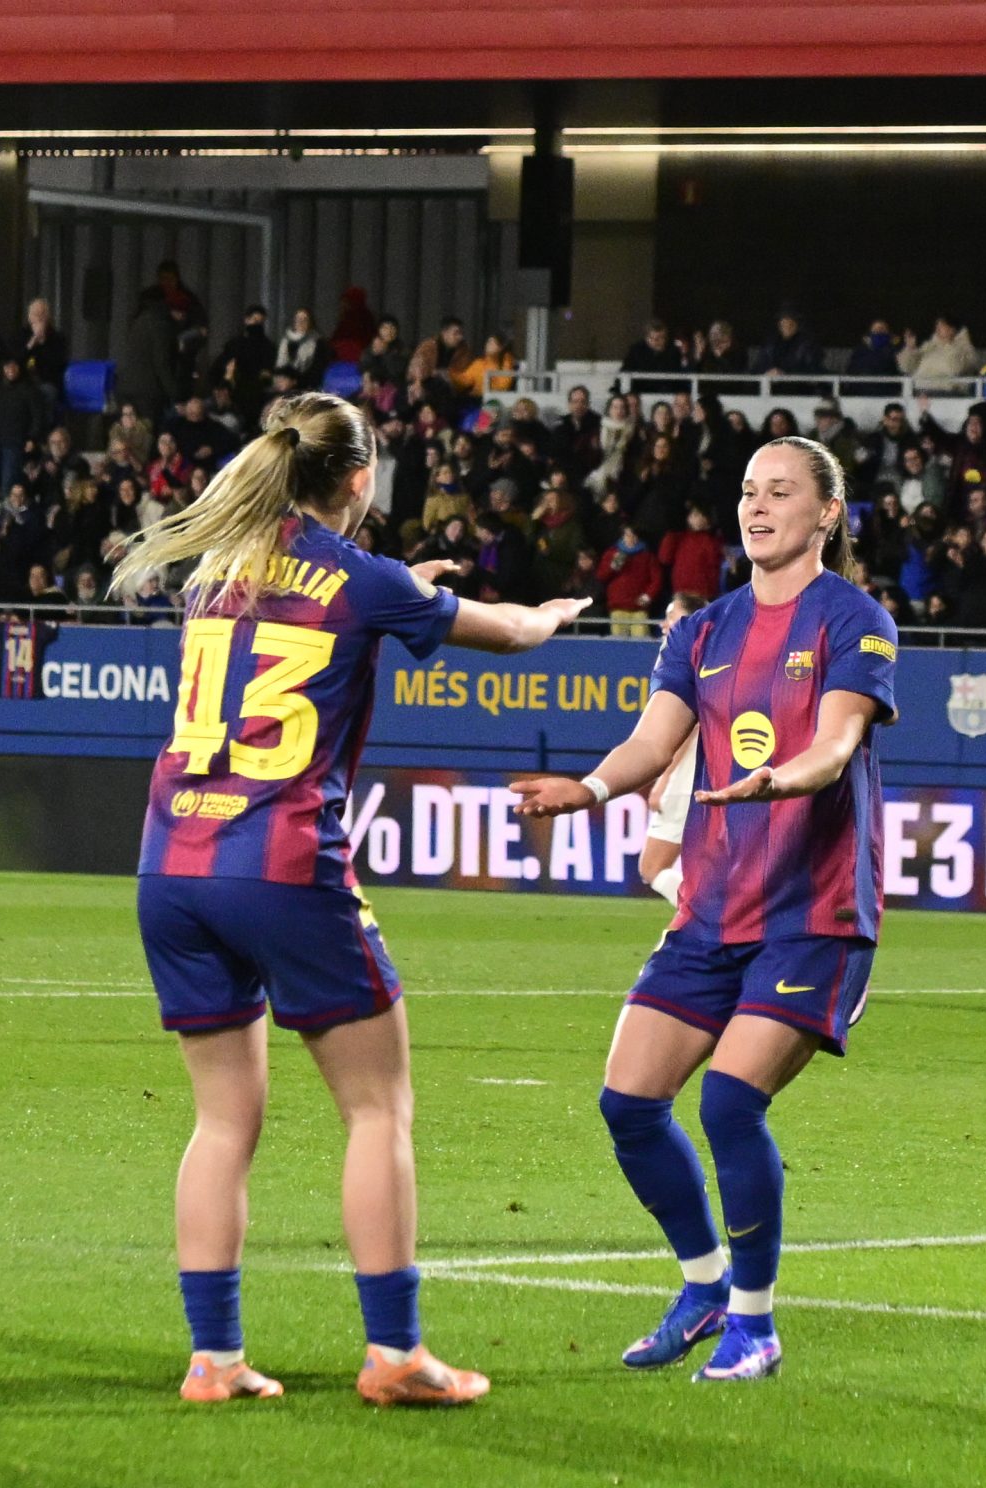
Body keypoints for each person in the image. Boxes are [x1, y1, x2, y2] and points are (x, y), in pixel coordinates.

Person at [114, 390, 590, 1408]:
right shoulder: (359, 578)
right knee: (377, 1108)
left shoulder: (217, 570)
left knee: (221, 1120)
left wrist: (393, 592)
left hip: (170, 862)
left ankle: (214, 1359)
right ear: (360, 479)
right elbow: (501, 633)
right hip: (280, 864)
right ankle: (395, 1354)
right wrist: (546, 618)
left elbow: (305, 620)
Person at [511, 436, 898, 1383]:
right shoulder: (701, 630)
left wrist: (782, 780)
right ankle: (704, 1285)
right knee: (630, 1103)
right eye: (748, 492)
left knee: (729, 1101)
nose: (758, 507)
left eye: (781, 492)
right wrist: (587, 791)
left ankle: (756, 1326)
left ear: (828, 513)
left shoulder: (858, 619)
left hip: (815, 909)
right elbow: (654, 741)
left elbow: (839, 742)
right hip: (712, 907)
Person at [637, 592, 707, 903]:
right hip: (707, 775)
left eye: (672, 615)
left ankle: (704, 921)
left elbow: (687, 726)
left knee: (652, 867)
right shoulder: (710, 655)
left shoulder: (684, 658)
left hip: (684, 777)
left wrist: (663, 779)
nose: (664, 623)